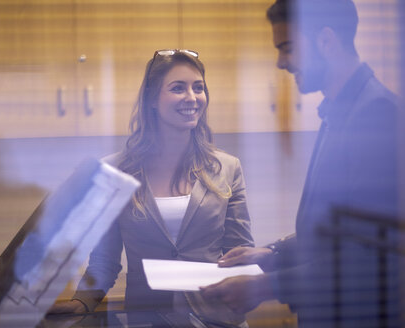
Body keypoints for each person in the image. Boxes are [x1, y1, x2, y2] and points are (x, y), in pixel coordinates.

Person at [200, 0, 401, 327]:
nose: (281, 62)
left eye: (288, 48)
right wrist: (273, 253)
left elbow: (363, 256)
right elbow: (334, 231)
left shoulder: (376, 116)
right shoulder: (338, 111)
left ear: (326, 40)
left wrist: (264, 287)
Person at [50, 49, 254, 325]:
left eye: (199, 88)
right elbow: (104, 259)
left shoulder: (228, 168)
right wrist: (82, 301)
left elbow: (240, 250)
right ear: (152, 100)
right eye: (178, 88)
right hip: (148, 319)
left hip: (217, 319)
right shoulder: (113, 172)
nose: (192, 98)